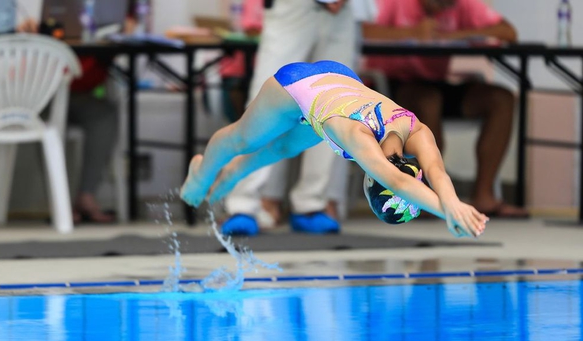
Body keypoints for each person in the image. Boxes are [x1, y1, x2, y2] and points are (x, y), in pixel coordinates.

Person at [181, 60, 489, 238]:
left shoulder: (416, 130)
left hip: (340, 80)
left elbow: (436, 171)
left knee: (283, 148)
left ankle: (234, 173)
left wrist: (455, 206)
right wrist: (447, 212)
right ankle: (201, 173)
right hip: (298, 86)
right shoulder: (358, 137)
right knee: (242, 139)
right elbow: (397, 183)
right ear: (371, 178)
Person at [362, 0, 528, 219]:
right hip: (392, 86)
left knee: (501, 99)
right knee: (428, 100)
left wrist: (455, 35)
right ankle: (426, 194)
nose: (442, 9)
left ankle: (484, 195)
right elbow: (362, 31)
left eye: (447, 5)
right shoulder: (394, 3)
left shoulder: (464, 4)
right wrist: (412, 32)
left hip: (436, 84)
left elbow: (508, 32)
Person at [220, 0, 358, 237]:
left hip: (342, 11)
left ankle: (312, 203)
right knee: (267, 99)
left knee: (335, 101)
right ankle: (242, 204)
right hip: (292, 7)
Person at [17, 10, 136, 223]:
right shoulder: (38, 14)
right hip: (40, 93)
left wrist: (122, 30)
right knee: (51, 126)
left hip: (81, 94)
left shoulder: (106, 16)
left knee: (105, 113)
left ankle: (86, 197)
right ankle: (58, 204)